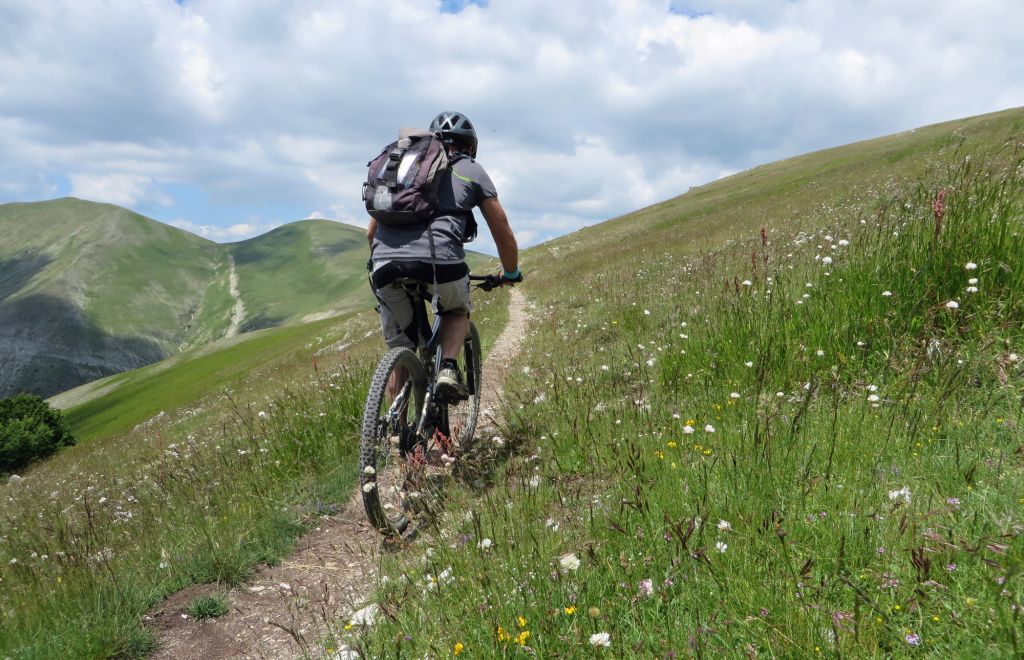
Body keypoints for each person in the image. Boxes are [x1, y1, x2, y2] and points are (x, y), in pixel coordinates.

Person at [366, 111, 522, 399]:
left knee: (402, 346)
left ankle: (392, 430)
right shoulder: (471, 169)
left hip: (384, 265)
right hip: (441, 264)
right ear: (470, 147)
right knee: (455, 310)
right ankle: (448, 367)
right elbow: (501, 229)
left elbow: (370, 234)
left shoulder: (403, 171)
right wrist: (510, 272)